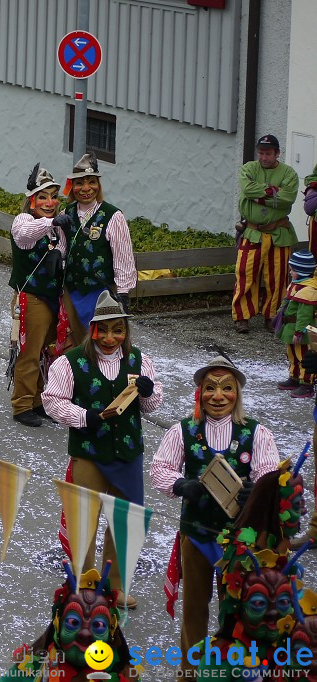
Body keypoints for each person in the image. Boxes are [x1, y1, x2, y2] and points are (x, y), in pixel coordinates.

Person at [148, 355, 280, 674]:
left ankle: (227, 671)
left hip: (239, 541)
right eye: (210, 388)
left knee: (233, 609)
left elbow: (271, 473)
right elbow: (159, 468)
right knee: (194, 609)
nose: (218, 396)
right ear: (200, 393)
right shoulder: (183, 431)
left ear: (237, 393)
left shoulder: (255, 433)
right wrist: (181, 484)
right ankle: (191, 672)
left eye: (226, 388)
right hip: (196, 534)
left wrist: (257, 489)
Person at [42, 290, 162, 606]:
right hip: (88, 453)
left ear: (125, 331)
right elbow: (52, 401)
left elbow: (151, 406)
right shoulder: (71, 363)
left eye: (117, 330)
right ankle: (83, 583)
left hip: (127, 454)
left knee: (126, 519)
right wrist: (84, 416)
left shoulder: (139, 360)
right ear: (92, 329)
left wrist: (148, 393)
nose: (109, 338)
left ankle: (115, 585)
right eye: (102, 330)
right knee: (84, 517)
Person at [188, 463, 306, 677]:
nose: (304, 510)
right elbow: (232, 612)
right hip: (243, 656)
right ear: (275, 504)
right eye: (297, 503)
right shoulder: (243, 554)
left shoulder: (277, 543)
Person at [0, 563, 139, 680]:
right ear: (58, 626)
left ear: (111, 631)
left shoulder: (125, 675)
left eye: (98, 625)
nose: (85, 633)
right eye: (73, 622)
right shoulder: (32, 668)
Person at [9, 164, 70, 428]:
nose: (49, 202)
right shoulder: (24, 220)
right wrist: (52, 221)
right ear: (31, 200)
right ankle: (22, 404)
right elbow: (25, 234)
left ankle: (37, 401)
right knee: (29, 353)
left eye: (53, 197)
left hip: (51, 298)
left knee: (44, 352)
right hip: (30, 298)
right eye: (42, 197)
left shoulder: (57, 228)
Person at [61, 153, 137, 330]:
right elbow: (62, 246)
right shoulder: (66, 213)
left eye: (91, 182)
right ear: (72, 186)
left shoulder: (113, 216)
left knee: (99, 343)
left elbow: (123, 258)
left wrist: (123, 293)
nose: (86, 188)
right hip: (71, 293)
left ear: (98, 185)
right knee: (74, 345)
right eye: (80, 183)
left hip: (100, 294)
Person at [233, 133, 299, 334]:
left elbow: (288, 198)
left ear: (277, 153)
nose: (263, 157)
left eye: (268, 153)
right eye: (261, 153)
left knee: (277, 278)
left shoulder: (289, 174)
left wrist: (259, 196)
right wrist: (273, 192)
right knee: (245, 274)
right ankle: (242, 317)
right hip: (252, 232)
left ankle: (272, 316)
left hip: (279, 233)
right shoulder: (249, 169)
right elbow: (247, 188)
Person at [273, 250, 317, 399]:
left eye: (292, 270)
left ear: (300, 272)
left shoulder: (308, 290)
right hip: (290, 328)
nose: (290, 272)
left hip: (302, 331)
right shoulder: (296, 285)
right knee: (291, 354)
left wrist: (299, 331)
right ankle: (294, 377)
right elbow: (287, 301)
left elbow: (304, 316)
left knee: (303, 355)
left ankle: (306, 383)